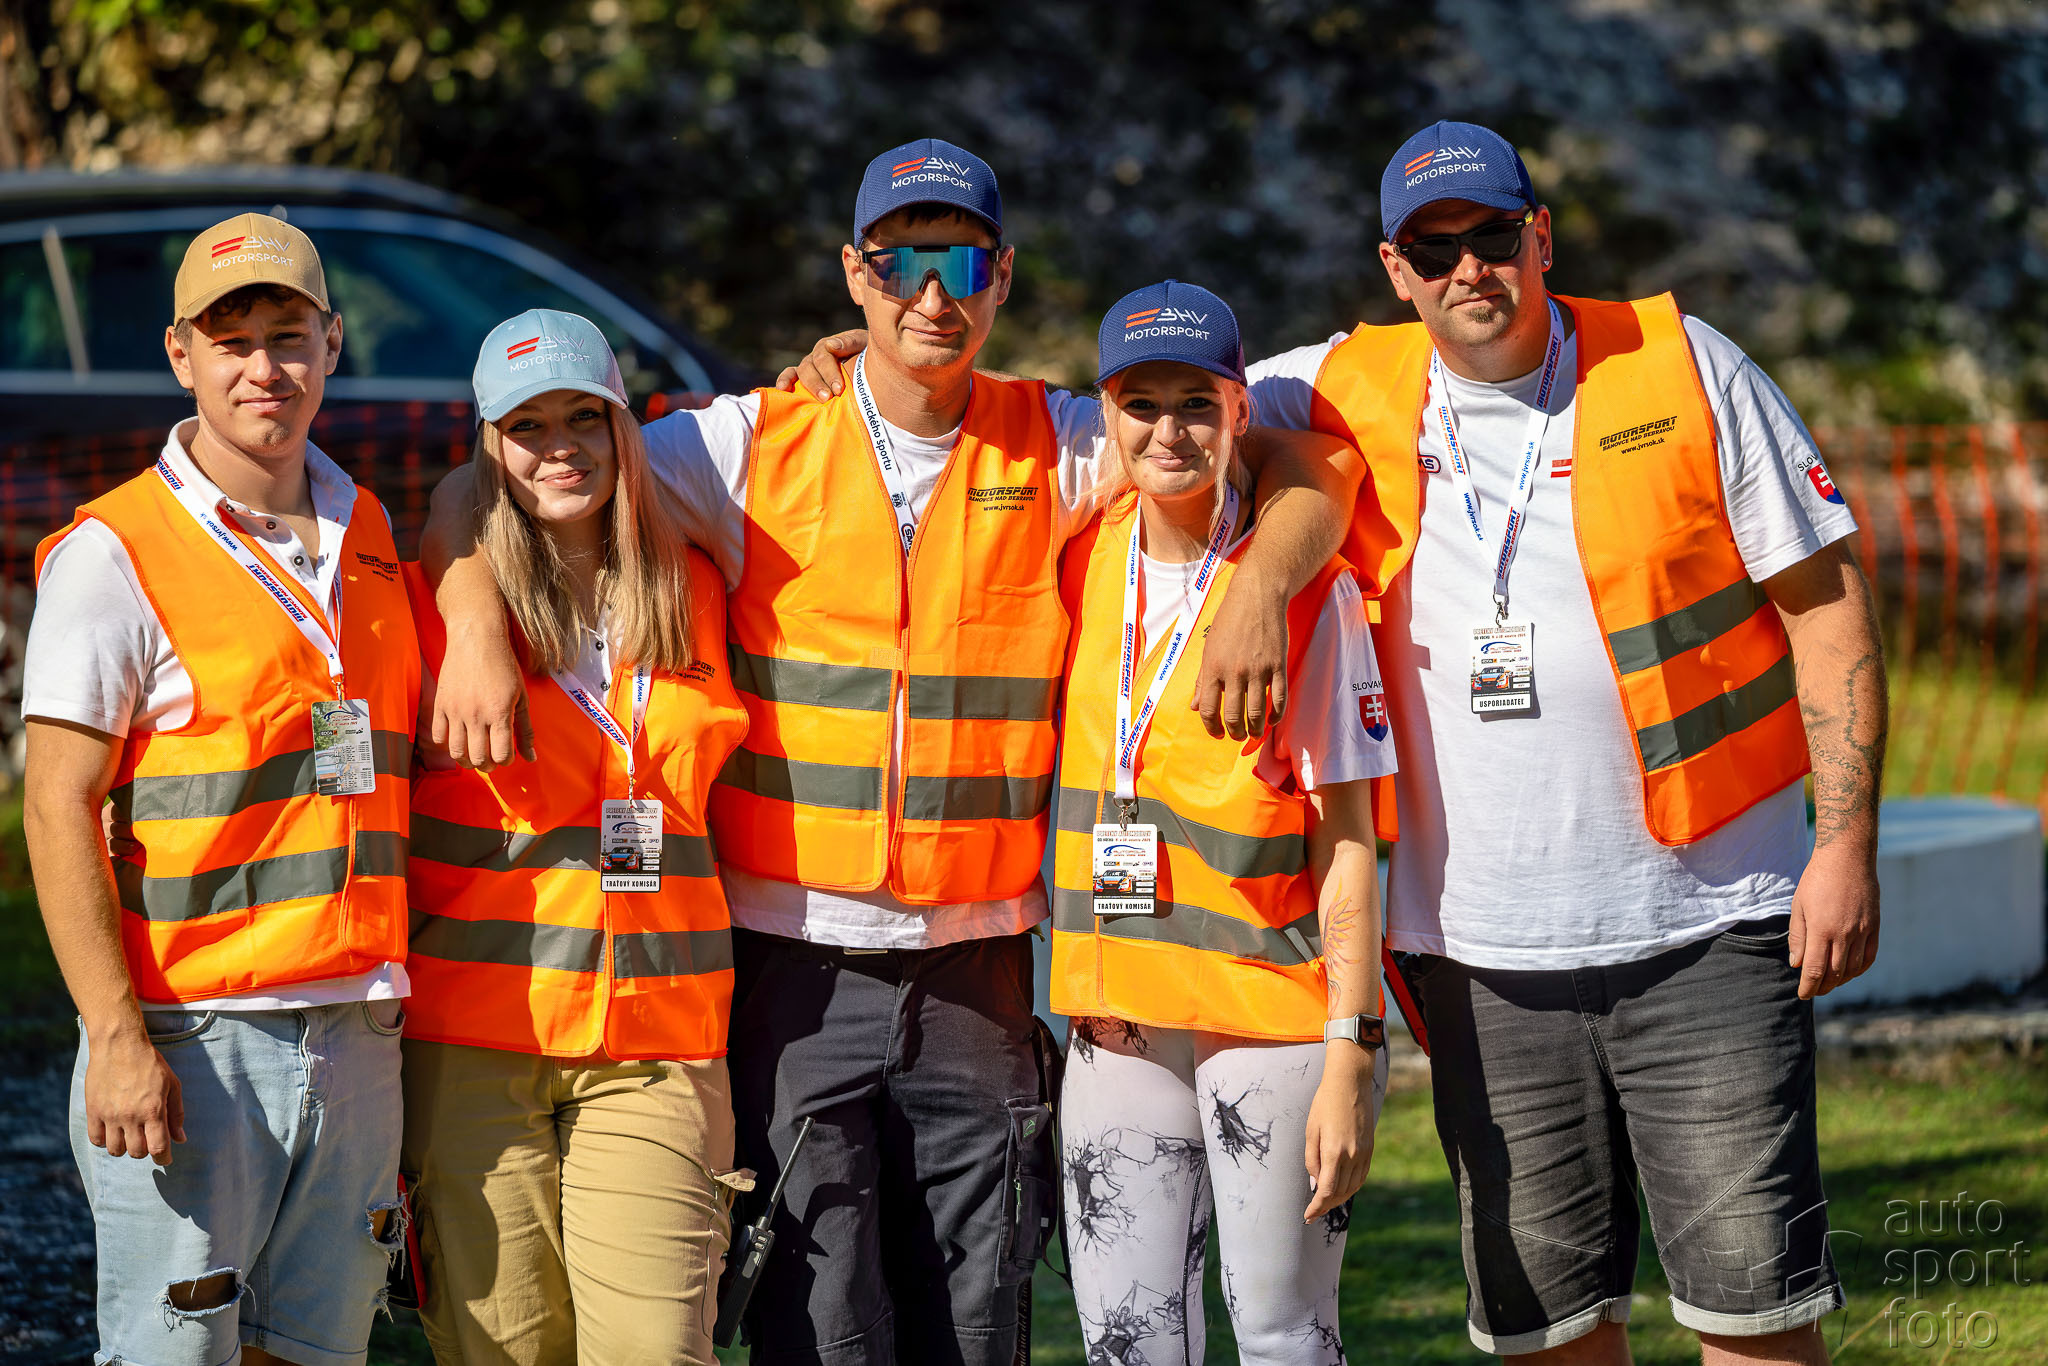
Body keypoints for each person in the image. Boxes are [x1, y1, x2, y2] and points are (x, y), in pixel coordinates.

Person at [423, 138, 1361, 1364]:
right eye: (899, 261)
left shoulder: (1063, 442)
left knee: (972, 1323)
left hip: (979, 972)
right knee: (820, 1327)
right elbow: (500, 477)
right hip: (792, 967)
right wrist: (467, 620)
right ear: (853, 274)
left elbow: (1304, 458)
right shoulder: (746, 446)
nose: (931, 292)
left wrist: (1263, 585)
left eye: (959, 261)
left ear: (1002, 276)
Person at [1244, 121, 1887, 1364]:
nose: (1467, 269)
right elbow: (1138, 412)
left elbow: (1827, 604)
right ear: (1393, 268)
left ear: (1539, 237)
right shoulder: (1330, 384)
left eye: (1492, 236)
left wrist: (1844, 845)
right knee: (1547, 1334)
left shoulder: (1681, 363)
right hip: (1476, 960)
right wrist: (868, 372)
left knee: (1753, 1318)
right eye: (1434, 250)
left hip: (1707, 926)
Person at [21, 214, 416, 1366]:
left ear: (331, 342)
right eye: (230, 340)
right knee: (174, 1353)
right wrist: (115, 1036)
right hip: (196, 1035)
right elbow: (55, 806)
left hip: (358, 1028)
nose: (263, 368)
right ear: (180, 354)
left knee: (313, 1349)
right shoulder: (113, 552)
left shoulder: (369, 527)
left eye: (287, 336)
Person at [1050, 280, 1395, 1366]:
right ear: (1105, 415)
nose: (1169, 431)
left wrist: (1351, 1049)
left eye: (1196, 403)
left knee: (1285, 1337)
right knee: (1125, 1342)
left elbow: (1349, 842)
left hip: (1272, 1022)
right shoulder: (1079, 556)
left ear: (1241, 410)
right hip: (1117, 1014)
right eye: (1140, 404)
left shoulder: (1312, 595)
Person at [398, 309, 749, 1364]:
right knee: (502, 1350)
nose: (559, 448)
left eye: (583, 418)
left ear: (621, 426)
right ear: (489, 445)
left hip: (659, 1038)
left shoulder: (700, 585)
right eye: (528, 426)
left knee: (654, 1348)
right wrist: (470, 625)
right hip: (479, 1038)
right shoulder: (433, 599)